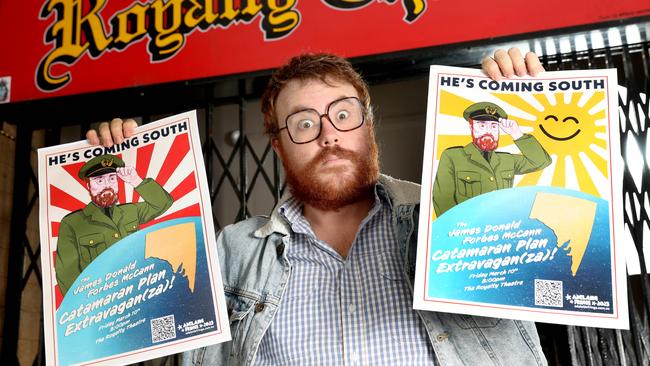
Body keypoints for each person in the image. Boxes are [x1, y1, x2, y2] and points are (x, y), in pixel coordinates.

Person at [89, 48, 548, 365]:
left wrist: (529, 104)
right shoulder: (231, 253)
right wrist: (127, 160)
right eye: (304, 123)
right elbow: (123, 328)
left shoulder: (452, 219)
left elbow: (554, 241)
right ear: (279, 146)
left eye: (343, 115)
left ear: (368, 126)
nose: (328, 135)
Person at [55, 154, 173, 296]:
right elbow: (67, 274)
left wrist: (136, 181)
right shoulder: (72, 223)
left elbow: (163, 203)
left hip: (139, 295)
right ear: (88, 186)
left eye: (112, 178)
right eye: (99, 180)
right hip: (102, 304)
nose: (107, 185)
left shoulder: (130, 211)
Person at [433, 101, 551, 216]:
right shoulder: (453, 156)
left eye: (494, 126)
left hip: (502, 227)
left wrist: (517, 134)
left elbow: (542, 161)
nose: (488, 131)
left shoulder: (507, 160)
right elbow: (442, 199)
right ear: (471, 126)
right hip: (469, 231)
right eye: (482, 125)